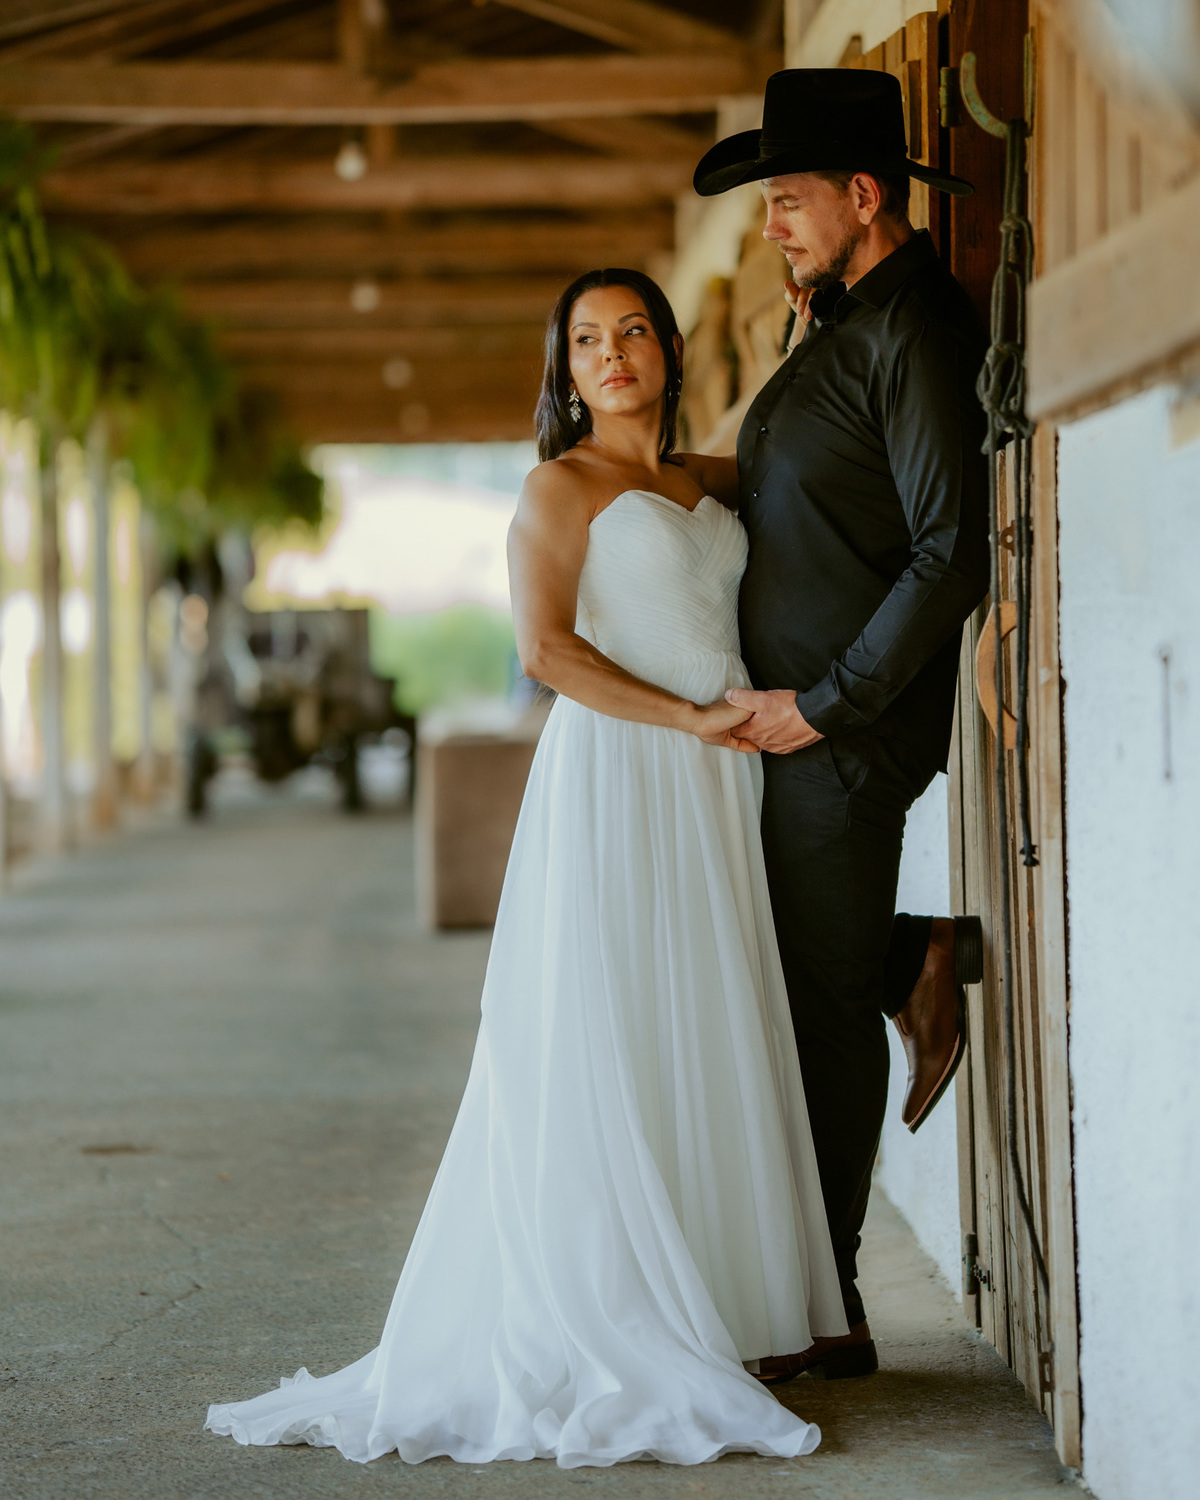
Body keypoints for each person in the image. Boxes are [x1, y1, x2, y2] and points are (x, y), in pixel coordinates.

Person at [204, 266, 848, 1468]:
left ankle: (724, 1304)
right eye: (588, 341)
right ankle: (622, 1308)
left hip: (715, 782)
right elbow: (546, 651)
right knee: (606, 1027)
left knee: (700, 1019)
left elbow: (788, 462)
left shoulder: (700, 481)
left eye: (634, 331)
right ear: (564, 369)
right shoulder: (560, 488)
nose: (613, 356)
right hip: (623, 773)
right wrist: (690, 717)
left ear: (666, 349)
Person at [692, 68, 992, 1383]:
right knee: (791, 974)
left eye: (788, 200)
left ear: (864, 197)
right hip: (791, 728)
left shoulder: (913, 328)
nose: (772, 227)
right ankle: (913, 955)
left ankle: (832, 1309)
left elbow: (948, 550)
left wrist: (824, 706)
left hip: (844, 735)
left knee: (815, 1013)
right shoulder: (832, 323)